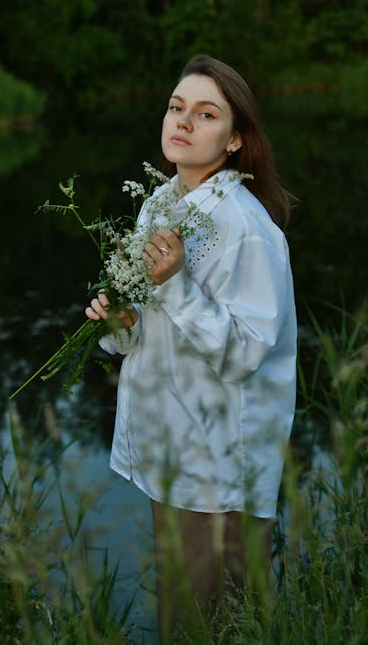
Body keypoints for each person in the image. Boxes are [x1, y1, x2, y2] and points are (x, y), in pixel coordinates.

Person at [85, 54, 297, 639]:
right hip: (173, 452)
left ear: (233, 140)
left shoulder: (245, 227)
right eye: (177, 107)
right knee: (182, 618)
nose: (183, 122)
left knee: (216, 625)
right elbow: (138, 337)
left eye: (205, 114)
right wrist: (117, 320)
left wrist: (174, 284)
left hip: (217, 464)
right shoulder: (159, 205)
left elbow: (246, 354)